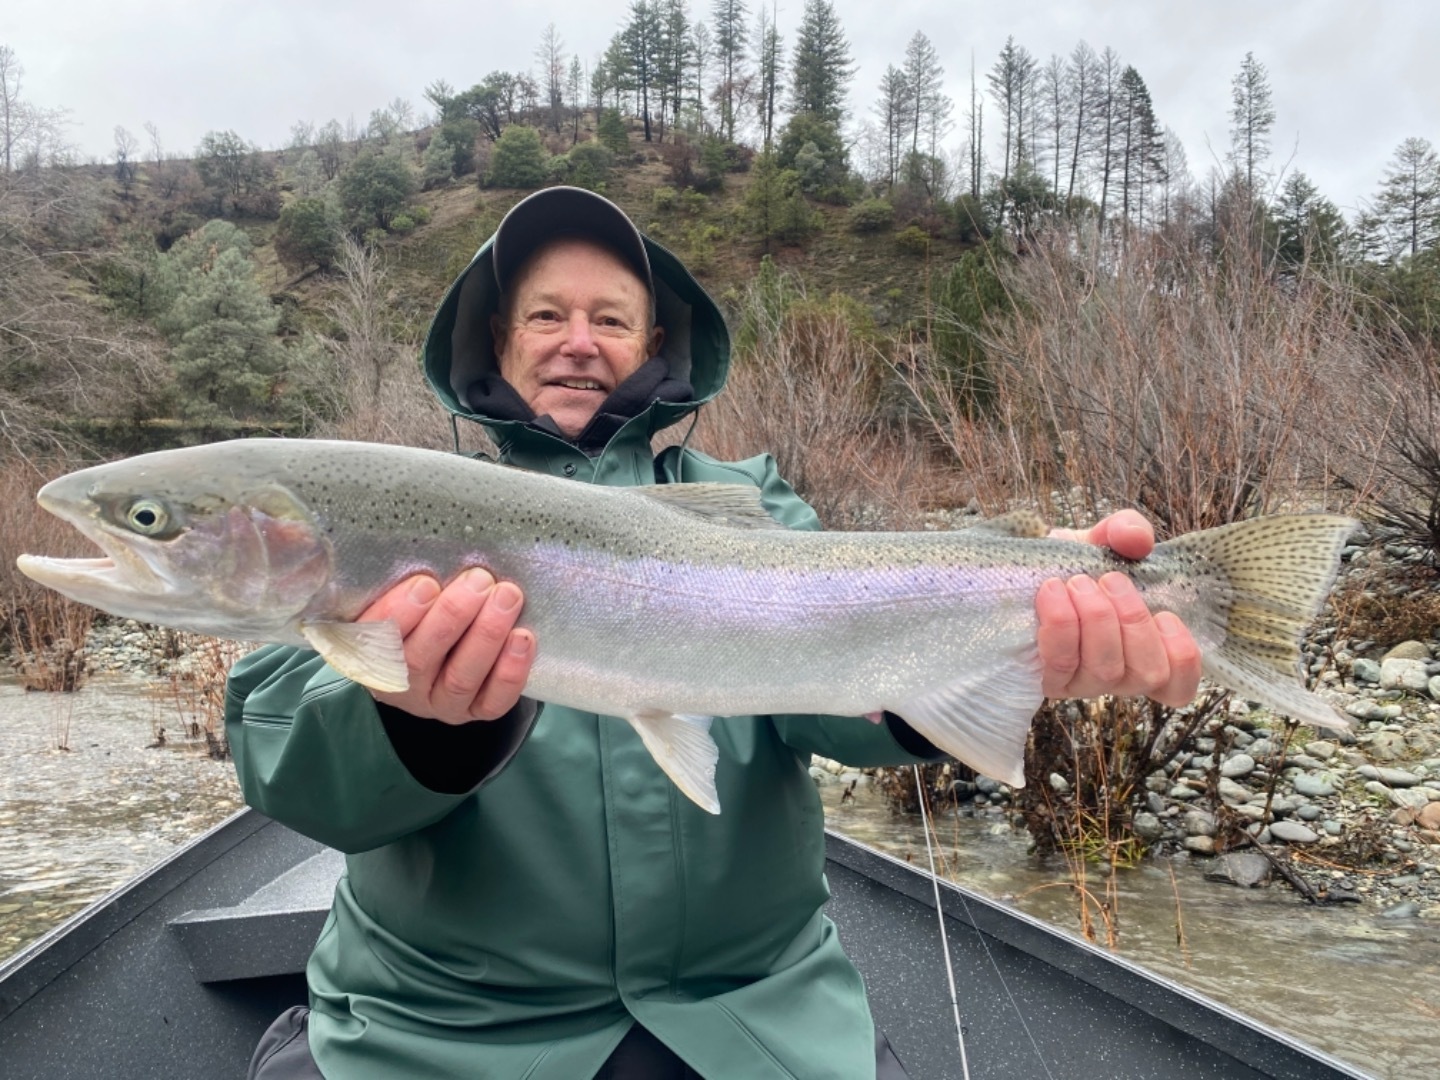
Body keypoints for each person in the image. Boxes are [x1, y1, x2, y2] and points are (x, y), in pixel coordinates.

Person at [230, 187, 1200, 1080]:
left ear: (653, 341)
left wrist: (1010, 636)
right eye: (547, 315)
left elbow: (844, 713)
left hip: (757, 1023)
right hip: (438, 1036)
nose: (578, 341)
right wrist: (416, 725)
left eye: (609, 318)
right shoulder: (386, 505)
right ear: (497, 338)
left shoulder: (753, 502)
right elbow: (286, 766)